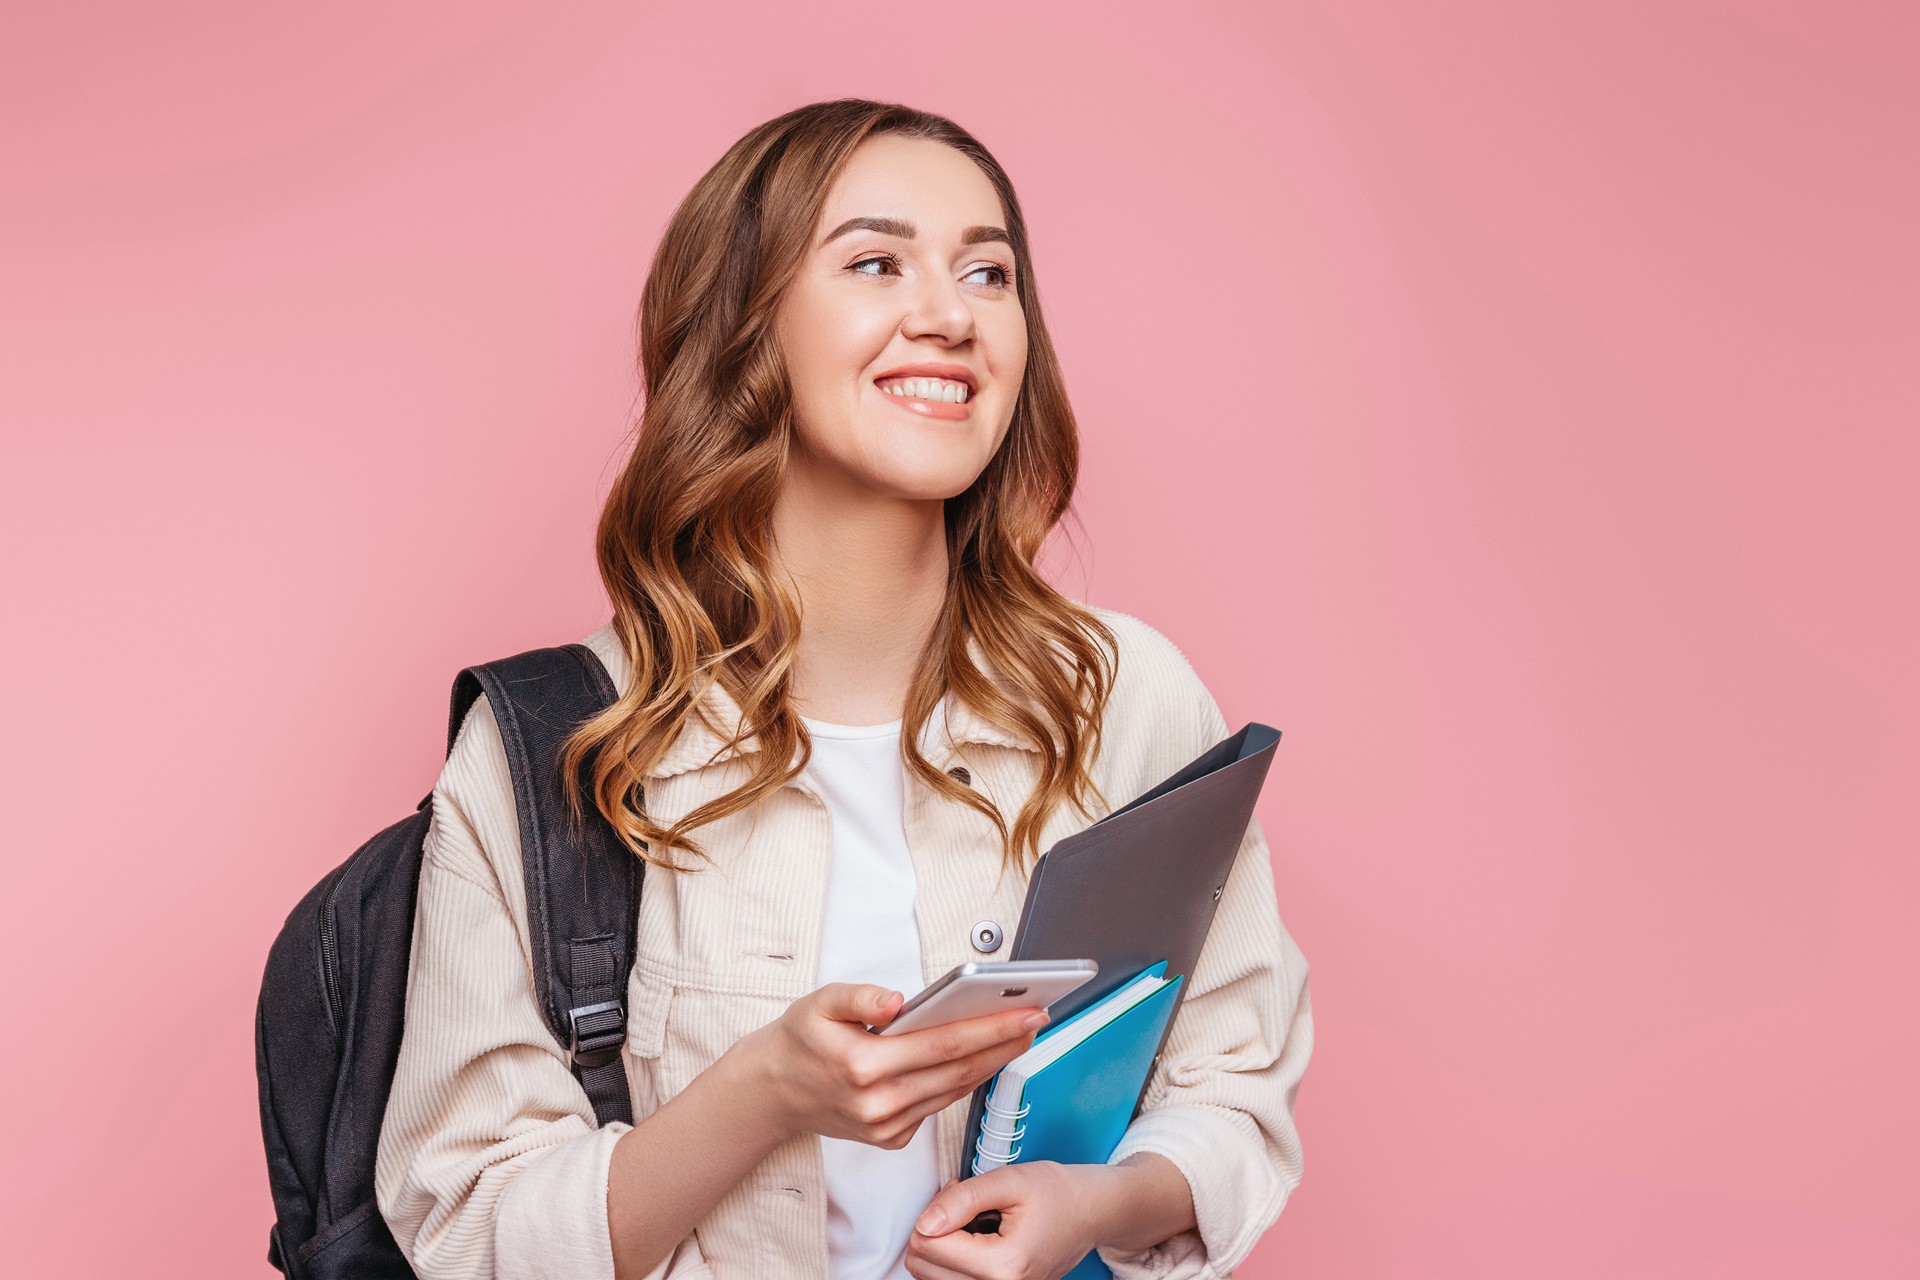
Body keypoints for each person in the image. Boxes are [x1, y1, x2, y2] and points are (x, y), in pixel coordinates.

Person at [373, 98, 1313, 1280]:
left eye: (989, 272)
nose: (949, 315)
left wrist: (1092, 1202)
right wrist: (763, 1093)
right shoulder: (559, 746)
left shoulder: (1125, 698)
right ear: (746, 327)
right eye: (876, 261)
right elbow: (468, 1225)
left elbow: (1236, 1094)